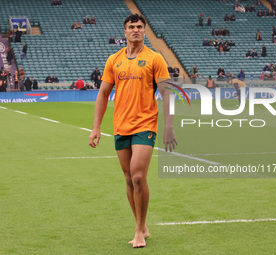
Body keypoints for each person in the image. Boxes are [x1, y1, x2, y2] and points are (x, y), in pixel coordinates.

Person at [88, 13, 177, 249]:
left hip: (145, 124)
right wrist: (96, 128)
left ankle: (139, 230)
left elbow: (167, 93)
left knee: (138, 176)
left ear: (144, 31)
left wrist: (168, 127)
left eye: (139, 26)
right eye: (131, 27)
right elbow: (103, 94)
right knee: (128, 179)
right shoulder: (114, 60)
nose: (135, 30)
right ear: (124, 32)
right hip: (121, 126)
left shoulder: (155, 59)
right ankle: (141, 224)